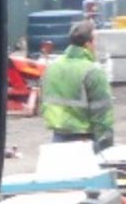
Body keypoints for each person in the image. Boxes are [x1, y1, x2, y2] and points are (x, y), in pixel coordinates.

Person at [40, 20, 115, 150]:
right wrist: (106, 143)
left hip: (57, 137)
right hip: (85, 140)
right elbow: (102, 112)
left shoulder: (52, 67)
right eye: (94, 41)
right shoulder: (92, 71)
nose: (96, 46)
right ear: (88, 44)